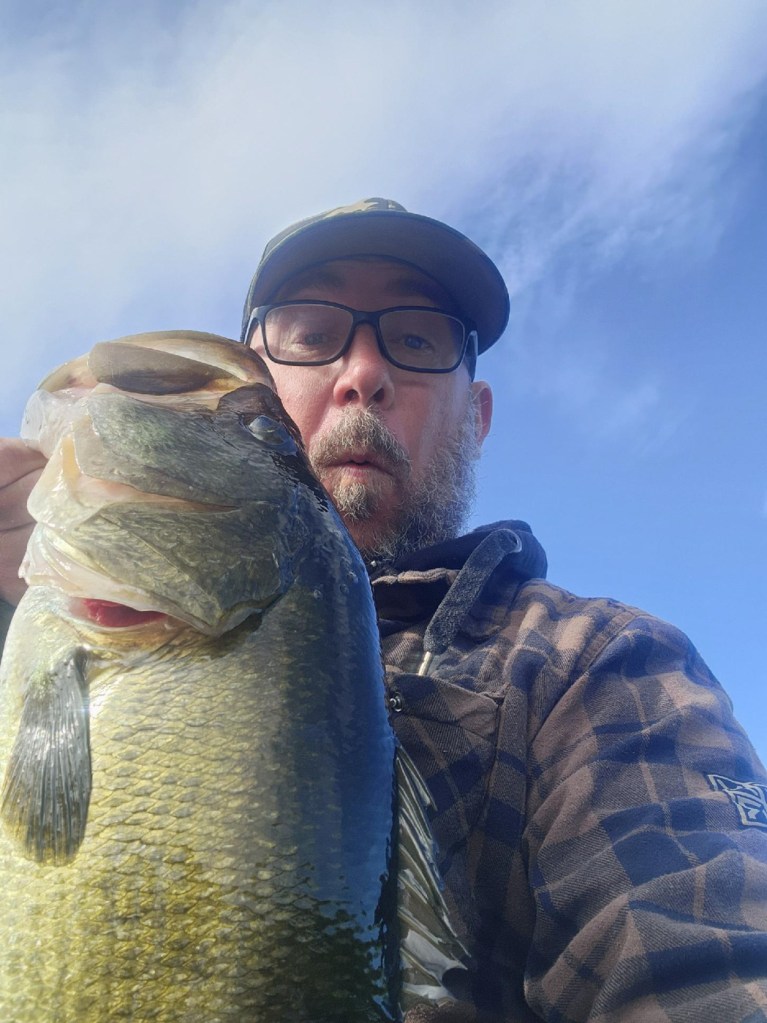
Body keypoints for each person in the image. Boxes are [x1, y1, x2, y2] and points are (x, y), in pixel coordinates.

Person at [1, 198, 766, 1022]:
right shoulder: (40, 602)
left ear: (475, 417)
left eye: (417, 339)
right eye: (310, 331)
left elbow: (700, 955)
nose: (363, 372)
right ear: (264, 375)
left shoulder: (596, 663)